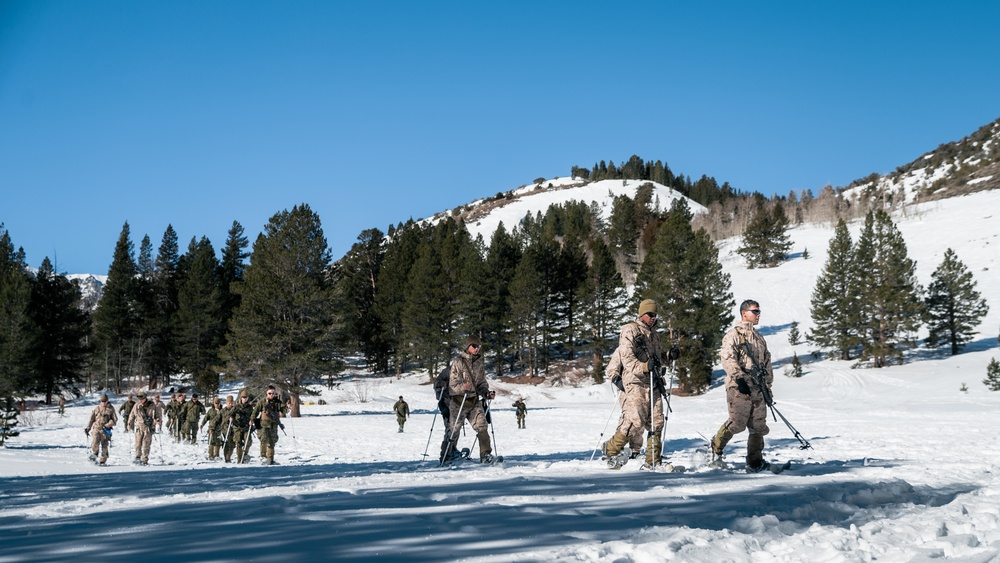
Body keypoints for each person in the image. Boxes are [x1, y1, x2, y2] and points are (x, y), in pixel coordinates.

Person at [601, 299, 673, 470]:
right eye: (650, 314)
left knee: (657, 422)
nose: (653, 318)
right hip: (635, 383)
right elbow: (626, 358)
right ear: (642, 314)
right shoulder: (630, 330)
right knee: (636, 421)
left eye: (655, 315)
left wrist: (669, 356)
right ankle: (610, 449)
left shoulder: (655, 335)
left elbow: (656, 359)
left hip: (654, 382)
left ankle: (653, 460)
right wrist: (642, 367)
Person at [710, 299, 774, 472]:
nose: (758, 314)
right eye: (755, 311)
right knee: (737, 423)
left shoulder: (759, 338)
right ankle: (715, 448)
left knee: (758, 425)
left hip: (758, 387)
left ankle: (755, 462)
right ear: (744, 313)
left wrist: (768, 385)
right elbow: (727, 358)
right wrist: (739, 379)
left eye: (759, 311)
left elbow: (766, 362)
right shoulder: (734, 335)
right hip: (740, 386)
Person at [442, 336, 495, 464]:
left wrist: (486, 393)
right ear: (468, 347)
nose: (476, 349)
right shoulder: (458, 362)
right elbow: (453, 385)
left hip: (474, 401)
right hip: (459, 401)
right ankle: (446, 456)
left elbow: (481, 382)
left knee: (482, 426)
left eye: (478, 347)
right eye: (474, 346)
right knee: (454, 430)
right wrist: (463, 387)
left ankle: (485, 454)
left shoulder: (479, 363)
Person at [251, 385, 288, 465]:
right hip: (263, 425)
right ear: (266, 393)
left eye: (273, 393)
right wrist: (252, 419)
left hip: (273, 425)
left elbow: (284, 411)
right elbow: (256, 411)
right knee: (264, 439)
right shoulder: (262, 402)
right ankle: (263, 457)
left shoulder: (278, 402)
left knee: (272, 442)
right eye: (270, 393)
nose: (271, 395)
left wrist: (287, 407)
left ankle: (270, 459)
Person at [126, 391, 161, 465]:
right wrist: (129, 423)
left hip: (148, 428)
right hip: (139, 427)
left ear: (145, 398)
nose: (140, 400)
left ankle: (144, 460)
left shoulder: (152, 405)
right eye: (139, 399)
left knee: (146, 445)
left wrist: (158, 420)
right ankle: (138, 457)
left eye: (142, 398)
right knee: (137, 444)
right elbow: (132, 415)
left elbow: (157, 415)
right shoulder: (136, 405)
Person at [85, 393, 118, 465]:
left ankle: (103, 461)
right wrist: (88, 428)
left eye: (104, 401)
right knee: (95, 442)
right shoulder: (97, 408)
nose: (103, 403)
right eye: (102, 401)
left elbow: (115, 420)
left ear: (107, 401)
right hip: (97, 428)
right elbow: (91, 419)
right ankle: (95, 454)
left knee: (105, 446)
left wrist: (109, 424)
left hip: (105, 430)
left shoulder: (111, 409)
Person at [433, 367, 458, 461]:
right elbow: (436, 384)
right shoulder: (447, 372)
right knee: (450, 428)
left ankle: (452, 450)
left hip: (459, 405)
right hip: (446, 403)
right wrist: (442, 384)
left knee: (456, 429)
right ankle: (446, 454)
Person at [229, 389, 255, 463]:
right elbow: (230, 413)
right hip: (237, 427)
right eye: (243, 397)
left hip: (246, 427)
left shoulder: (250, 408)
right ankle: (239, 459)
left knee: (248, 441)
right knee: (238, 442)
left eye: (246, 397)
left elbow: (253, 415)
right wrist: (231, 417)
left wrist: (252, 420)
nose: (244, 399)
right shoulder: (236, 406)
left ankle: (245, 454)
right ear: (241, 398)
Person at [219, 395, 236, 462]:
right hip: (224, 430)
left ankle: (228, 457)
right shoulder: (223, 411)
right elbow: (217, 419)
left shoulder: (235, 410)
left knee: (232, 445)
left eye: (231, 402)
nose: (230, 403)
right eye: (229, 402)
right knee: (225, 445)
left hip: (233, 430)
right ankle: (226, 458)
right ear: (226, 402)